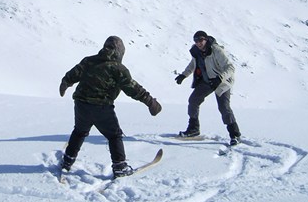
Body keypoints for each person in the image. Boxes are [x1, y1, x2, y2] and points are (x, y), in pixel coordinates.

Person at [59, 36, 162, 178]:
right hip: (102, 108)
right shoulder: (118, 68)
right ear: (120, 52)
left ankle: (67, 160)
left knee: (79, 131)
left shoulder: (89, 60)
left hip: (81, 104)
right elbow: (132, 88)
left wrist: (65, 83)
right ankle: (120, 166)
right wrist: (151, 102)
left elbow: (73, 74)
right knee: (114, 136)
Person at [175, 30, 242, 145]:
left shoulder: (216, 50)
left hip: (222, 82)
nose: (199, 43)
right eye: (196, 40)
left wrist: (220, 78)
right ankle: (193, 129)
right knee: (193, 100)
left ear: (206, 40)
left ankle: (234, 134)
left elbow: (230, 67)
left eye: (201, 40)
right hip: (207, 81)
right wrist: (183, 75)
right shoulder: (196, 51)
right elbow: (193, 64)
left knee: (224, 108)